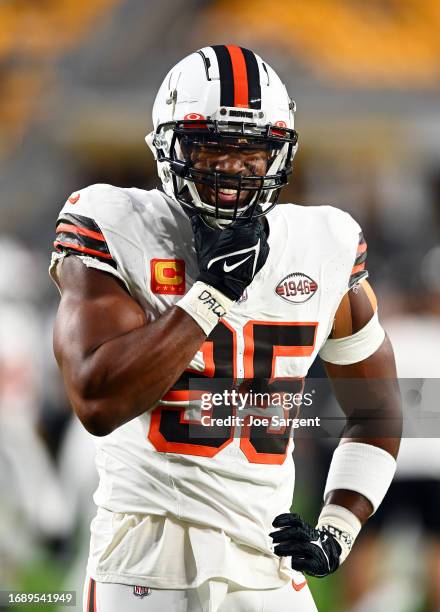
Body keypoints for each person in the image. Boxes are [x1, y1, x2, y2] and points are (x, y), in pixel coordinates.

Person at [50, 45, 401, 612]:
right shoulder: (117, 223)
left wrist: (338, 526)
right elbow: (97, 399)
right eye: (212, 146)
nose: (232, 168)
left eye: (253, 151)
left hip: (267, 567)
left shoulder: (322, 245)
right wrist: (213, 295)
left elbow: (377, 408)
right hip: (145, 564)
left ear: (279, 157)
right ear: (169, 146)